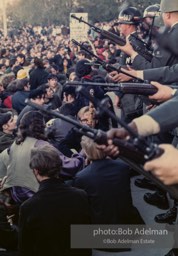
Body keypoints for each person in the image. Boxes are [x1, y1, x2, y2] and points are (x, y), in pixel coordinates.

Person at [18, 144, 91, 256]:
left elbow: (25, 249)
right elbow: (86, 240)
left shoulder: (28, 207)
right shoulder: (80, 196)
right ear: (59, 167)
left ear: (36, 171)